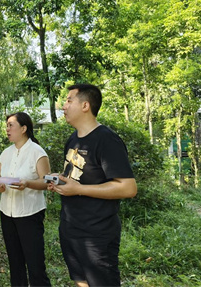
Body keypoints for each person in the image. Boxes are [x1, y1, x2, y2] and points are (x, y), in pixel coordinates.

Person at [48, 84, 137, 287]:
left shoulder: (106, 140)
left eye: (69, 100)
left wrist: (78, 189)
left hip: (96, 234)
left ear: (85, 105)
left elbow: (128, 187)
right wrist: (60, 179)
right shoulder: (73, 139)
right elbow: (78, 177)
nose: (64, 106)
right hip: (70, 227)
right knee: (80, 281)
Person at [0, 112, 52, 287]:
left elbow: (47, 182)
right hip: (7, 213)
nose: (7, 129)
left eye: (11, 125)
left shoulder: (37, 152)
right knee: (15, 263)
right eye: (7, 125)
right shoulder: (6, 153)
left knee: (35, 265)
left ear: (24, 128)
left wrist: (27, 184)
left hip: (30, 214)